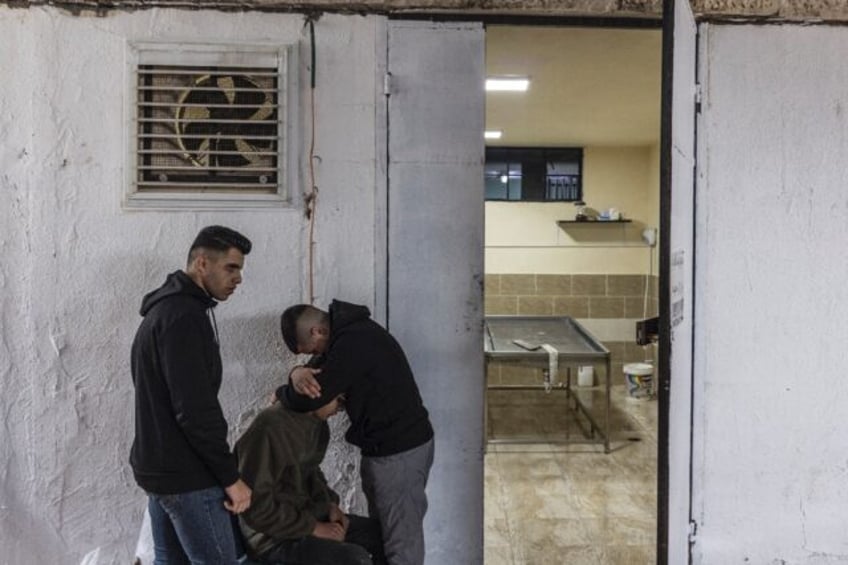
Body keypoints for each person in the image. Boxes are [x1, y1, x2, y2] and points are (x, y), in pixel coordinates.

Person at [129, 225, 253, 564]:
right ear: (202, 264)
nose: (238, 278)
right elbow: (195, 411)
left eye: (240, 269)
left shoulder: (167, 312)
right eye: (231, 267)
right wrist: (231, 479)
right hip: (186, 476)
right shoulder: (182, 318)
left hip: (162, 469)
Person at [276, 300, 434, 565]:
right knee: (386, 537)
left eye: (312, 350)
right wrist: (296, 372)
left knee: (401, 547)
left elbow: (312, 396)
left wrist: (283, 393)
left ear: (317, 332)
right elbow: (313, 374)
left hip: (399, 454)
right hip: (388, 450)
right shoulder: (346, 334)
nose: (315, 356)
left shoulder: (354, 342)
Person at [235, 389, 387, 565]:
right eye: (339, 401)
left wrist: (331, 505)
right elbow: (255, 508)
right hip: (272, 538)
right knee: (353, 559)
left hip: (309, 516)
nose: (341, 409)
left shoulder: (319, 425)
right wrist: (313, 528)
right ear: (317, 391)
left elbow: (312, 473)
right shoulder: (271, 427)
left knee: (384, 538)